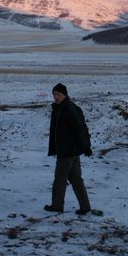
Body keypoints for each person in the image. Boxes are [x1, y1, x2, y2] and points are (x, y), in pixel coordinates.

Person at [44, 82, 92, 215]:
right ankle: (85, 207)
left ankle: (57, 206)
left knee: (59, 178)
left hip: (67, 150)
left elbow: (80, 129)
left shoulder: (69, 109)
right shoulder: (60, 108)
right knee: (76, 179)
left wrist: (86, 147)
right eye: (54, 94)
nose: (55, 97)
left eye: (58, 94)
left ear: (64, 94)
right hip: (71, 150)